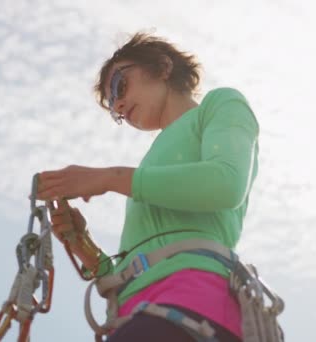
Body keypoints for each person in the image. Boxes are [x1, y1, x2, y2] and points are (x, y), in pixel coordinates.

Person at [36, 32, 259, 342]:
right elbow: (141, 263)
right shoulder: (149, 166)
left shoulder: (221, 104)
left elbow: (225, 184)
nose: (119, 105)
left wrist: (108, 178)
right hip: (135, 314)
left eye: (118, 86)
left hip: (194, 304)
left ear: (162, 66)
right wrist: (82, 244)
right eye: (113, 107)